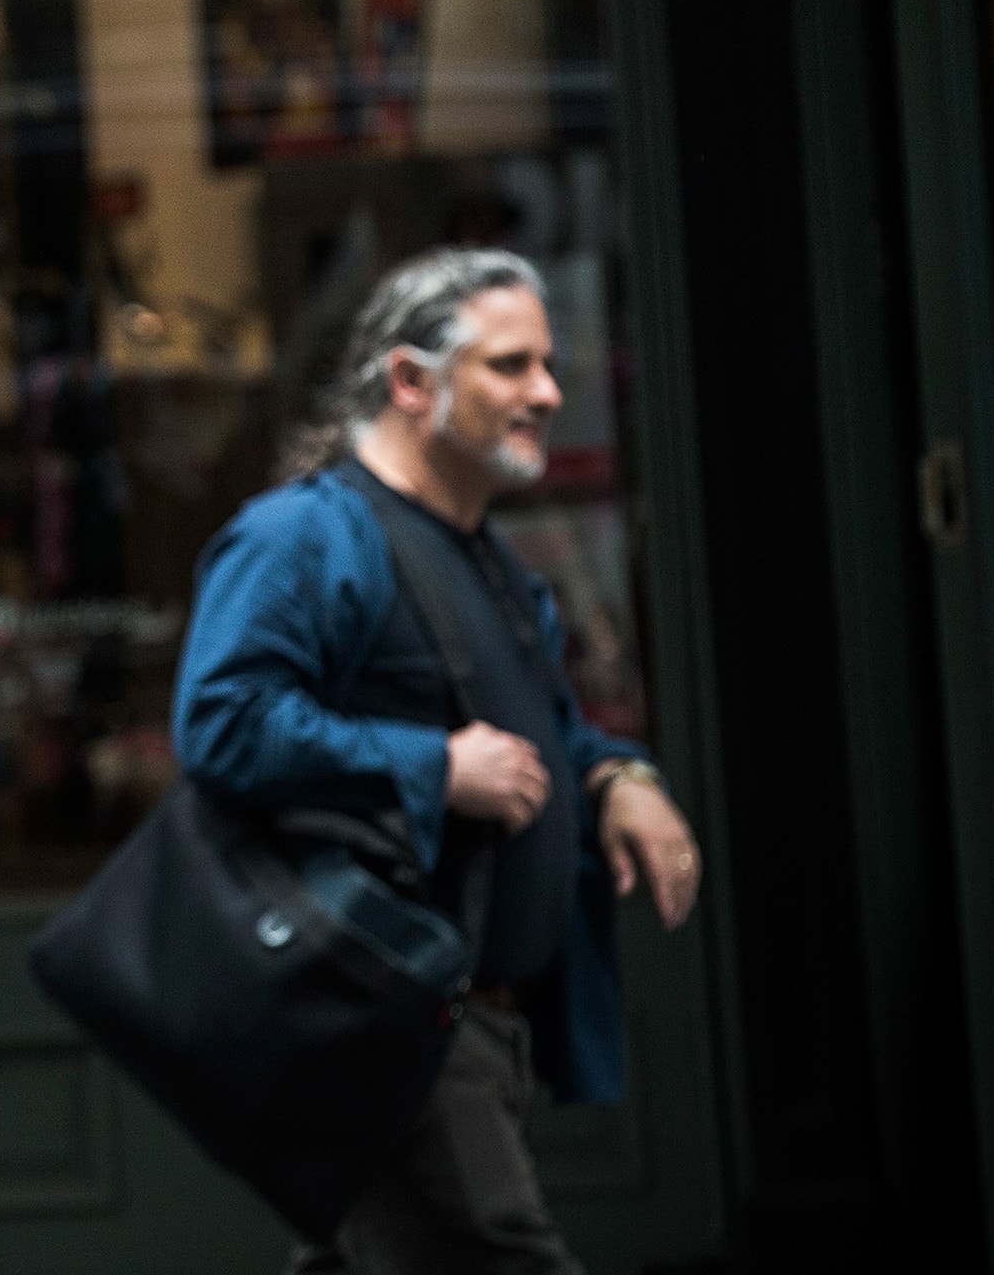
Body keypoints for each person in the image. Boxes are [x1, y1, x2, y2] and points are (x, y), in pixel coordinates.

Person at [174, 248, 703, 1275]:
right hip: (393, 1013)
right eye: (510, 366)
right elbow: (222, 724)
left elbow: (546, 727)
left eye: (548, 366)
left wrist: (616, 779)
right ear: (412, 383)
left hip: (479, 1024)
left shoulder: (481, 554)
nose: (547, 393)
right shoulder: (302, 538)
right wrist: (432, 768)